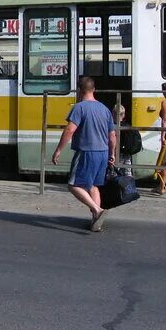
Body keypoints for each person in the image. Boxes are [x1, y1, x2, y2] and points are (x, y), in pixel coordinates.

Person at [52, 77, 117, 232]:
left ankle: (97, 210)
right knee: (93, 186)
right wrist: (112, 153)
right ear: (94, 90)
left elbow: (70, 130)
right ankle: (96, 221)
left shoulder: (79, 108)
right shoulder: (104, 109)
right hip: (102, 152)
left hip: (86, 152)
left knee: (73, 185)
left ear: (80, 90)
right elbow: (112, 135)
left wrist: (59, 150)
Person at [111, 104, 142, 177]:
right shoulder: (128, 127)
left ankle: (113, 186)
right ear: (124, 115)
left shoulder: (112, 127)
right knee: (127, 171)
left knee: (113, 172)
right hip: (127, 153)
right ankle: (128, 185)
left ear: (113, 114)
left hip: (117, 153)